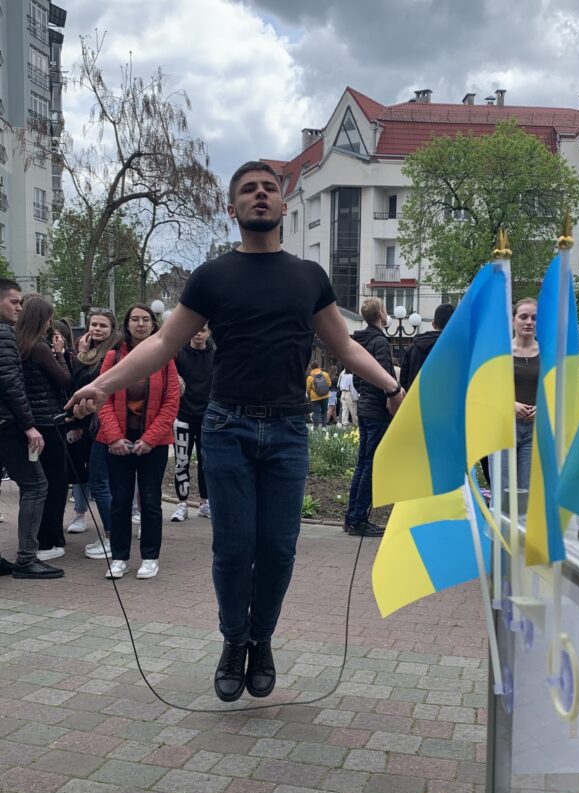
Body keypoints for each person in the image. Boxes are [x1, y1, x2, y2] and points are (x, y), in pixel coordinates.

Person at [69, 160, 403, 704]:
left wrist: (391, 385)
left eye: (269, 188)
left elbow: (343, 346)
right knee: (232, 548)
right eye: (249, 189)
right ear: (232, 208)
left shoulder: (309, 277)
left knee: (278, 548)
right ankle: (233, 641)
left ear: (284, 205)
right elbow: (163, 344)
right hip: (228, 427)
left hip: (289, 429)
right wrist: (102, 385)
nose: (260, 195)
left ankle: (261, 640)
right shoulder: (213, 276)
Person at [95, 304, 180, 580]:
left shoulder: (164, 358)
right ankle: (119, 558)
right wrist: (114, 437)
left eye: (145, 319)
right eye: (135, 319)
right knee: (120, 501)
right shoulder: (113, 357)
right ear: (127, 324)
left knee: (151, 500)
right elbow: (101, 397)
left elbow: (171, 402)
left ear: (153, 324)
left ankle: (150, 557)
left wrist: (149, 439)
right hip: (117, 441)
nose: (140, 324)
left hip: (153, 443)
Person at [0, 279, 61, 579]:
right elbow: (11, 384)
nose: (19, 308)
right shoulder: (4, 334)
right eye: (14, 302)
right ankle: (26, 558)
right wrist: (28, 426)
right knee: (36, 485)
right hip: (8, 426)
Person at [16, 294, 71, 561]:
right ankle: (49, 539)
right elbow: (64, 381)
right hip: (48, 423)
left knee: (33, 485)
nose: (51, 323)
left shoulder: (17, 345)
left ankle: (37, 537)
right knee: (54, 483)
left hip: (28, 423)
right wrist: (60, 355)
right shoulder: (39, 348)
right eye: (49, 318)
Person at [66, 308, 118, 554]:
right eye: (93, 325)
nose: (97, 329)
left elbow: (87, 385)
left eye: (102, 325)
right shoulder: (90, 353)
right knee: (98, 481)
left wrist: (81, 357)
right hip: (90, 425)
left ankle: (112, 538)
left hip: (104, 426)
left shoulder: (111, 354)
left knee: (100, 483)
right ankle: (112, 535)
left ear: (112, 329)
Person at [344, 297, 395, 537]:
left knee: (363, 463)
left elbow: (357, 376)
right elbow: (384, 375)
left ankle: (352, 517)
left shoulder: (360, 341)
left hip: (365, 407)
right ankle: (358, 519)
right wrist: (391, 397)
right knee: (371, 465)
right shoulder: (380, 342)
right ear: (380, 314)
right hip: (377, 410)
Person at [171, 324, 214, 522]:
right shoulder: (179, 354)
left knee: (207, 463)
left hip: (208, 418)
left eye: (202, 330)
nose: (198, 333)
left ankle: (205, 503)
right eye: (195, 329)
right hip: (183, 417)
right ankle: (182, 503)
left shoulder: (215, 354)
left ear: (208, 332)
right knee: (181, 461)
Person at [510, 297, 539, 491]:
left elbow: (556, 388)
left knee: (528, 491)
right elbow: (486, 388)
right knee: (503, 488)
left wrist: (543, 407)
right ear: (514, 320)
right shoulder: (501, 351)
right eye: (523, 317)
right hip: (505, 427)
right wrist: (510, 404)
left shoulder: (548, 352)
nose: (529, 322)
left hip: (536, 429)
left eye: (534, 318)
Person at [399, 302, 455, 393]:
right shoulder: (459, 349)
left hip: (417, 399)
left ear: (433, 324)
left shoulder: (414, 347)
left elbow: (403, 379)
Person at [306, 361, 330, 428]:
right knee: (324, 412)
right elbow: (329, 384)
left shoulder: (310, 377)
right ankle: (324, 427)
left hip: (315, 398)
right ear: (318, 366)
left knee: (316, 413)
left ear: (311, 368)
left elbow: (308, 389)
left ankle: (316, 428)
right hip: (325, 395)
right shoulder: (325, 374)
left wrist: (309, 394)